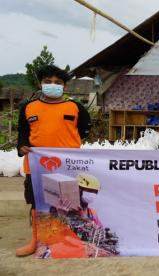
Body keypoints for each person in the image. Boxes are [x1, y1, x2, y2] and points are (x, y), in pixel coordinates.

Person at [15, 64, 91, 257]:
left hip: (68, 166)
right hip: (35, 166)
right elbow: (23, 133)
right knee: (37, 203)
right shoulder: (28, 107)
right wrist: (21, 145)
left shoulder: (75, 107)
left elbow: (84, 130)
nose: (52, 85)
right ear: (40, 84)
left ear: (64, 87)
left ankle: (69, 239)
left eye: (57, 82)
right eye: (47, 81)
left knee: (69, 203)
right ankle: (36, 240)